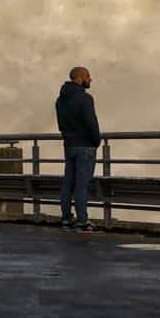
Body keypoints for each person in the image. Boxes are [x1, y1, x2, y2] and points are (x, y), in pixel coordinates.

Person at [55, 66, 101, 232]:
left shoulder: (60, 100)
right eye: (88, 76)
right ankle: (82, 220)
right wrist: (96, 141)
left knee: (68, 183)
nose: (90, 79)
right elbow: (91, 122)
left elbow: (61, 124)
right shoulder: (85, 98)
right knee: (82, 184)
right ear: (80, 78)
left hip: (69, 145)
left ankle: (66, 218)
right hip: (85, 146)